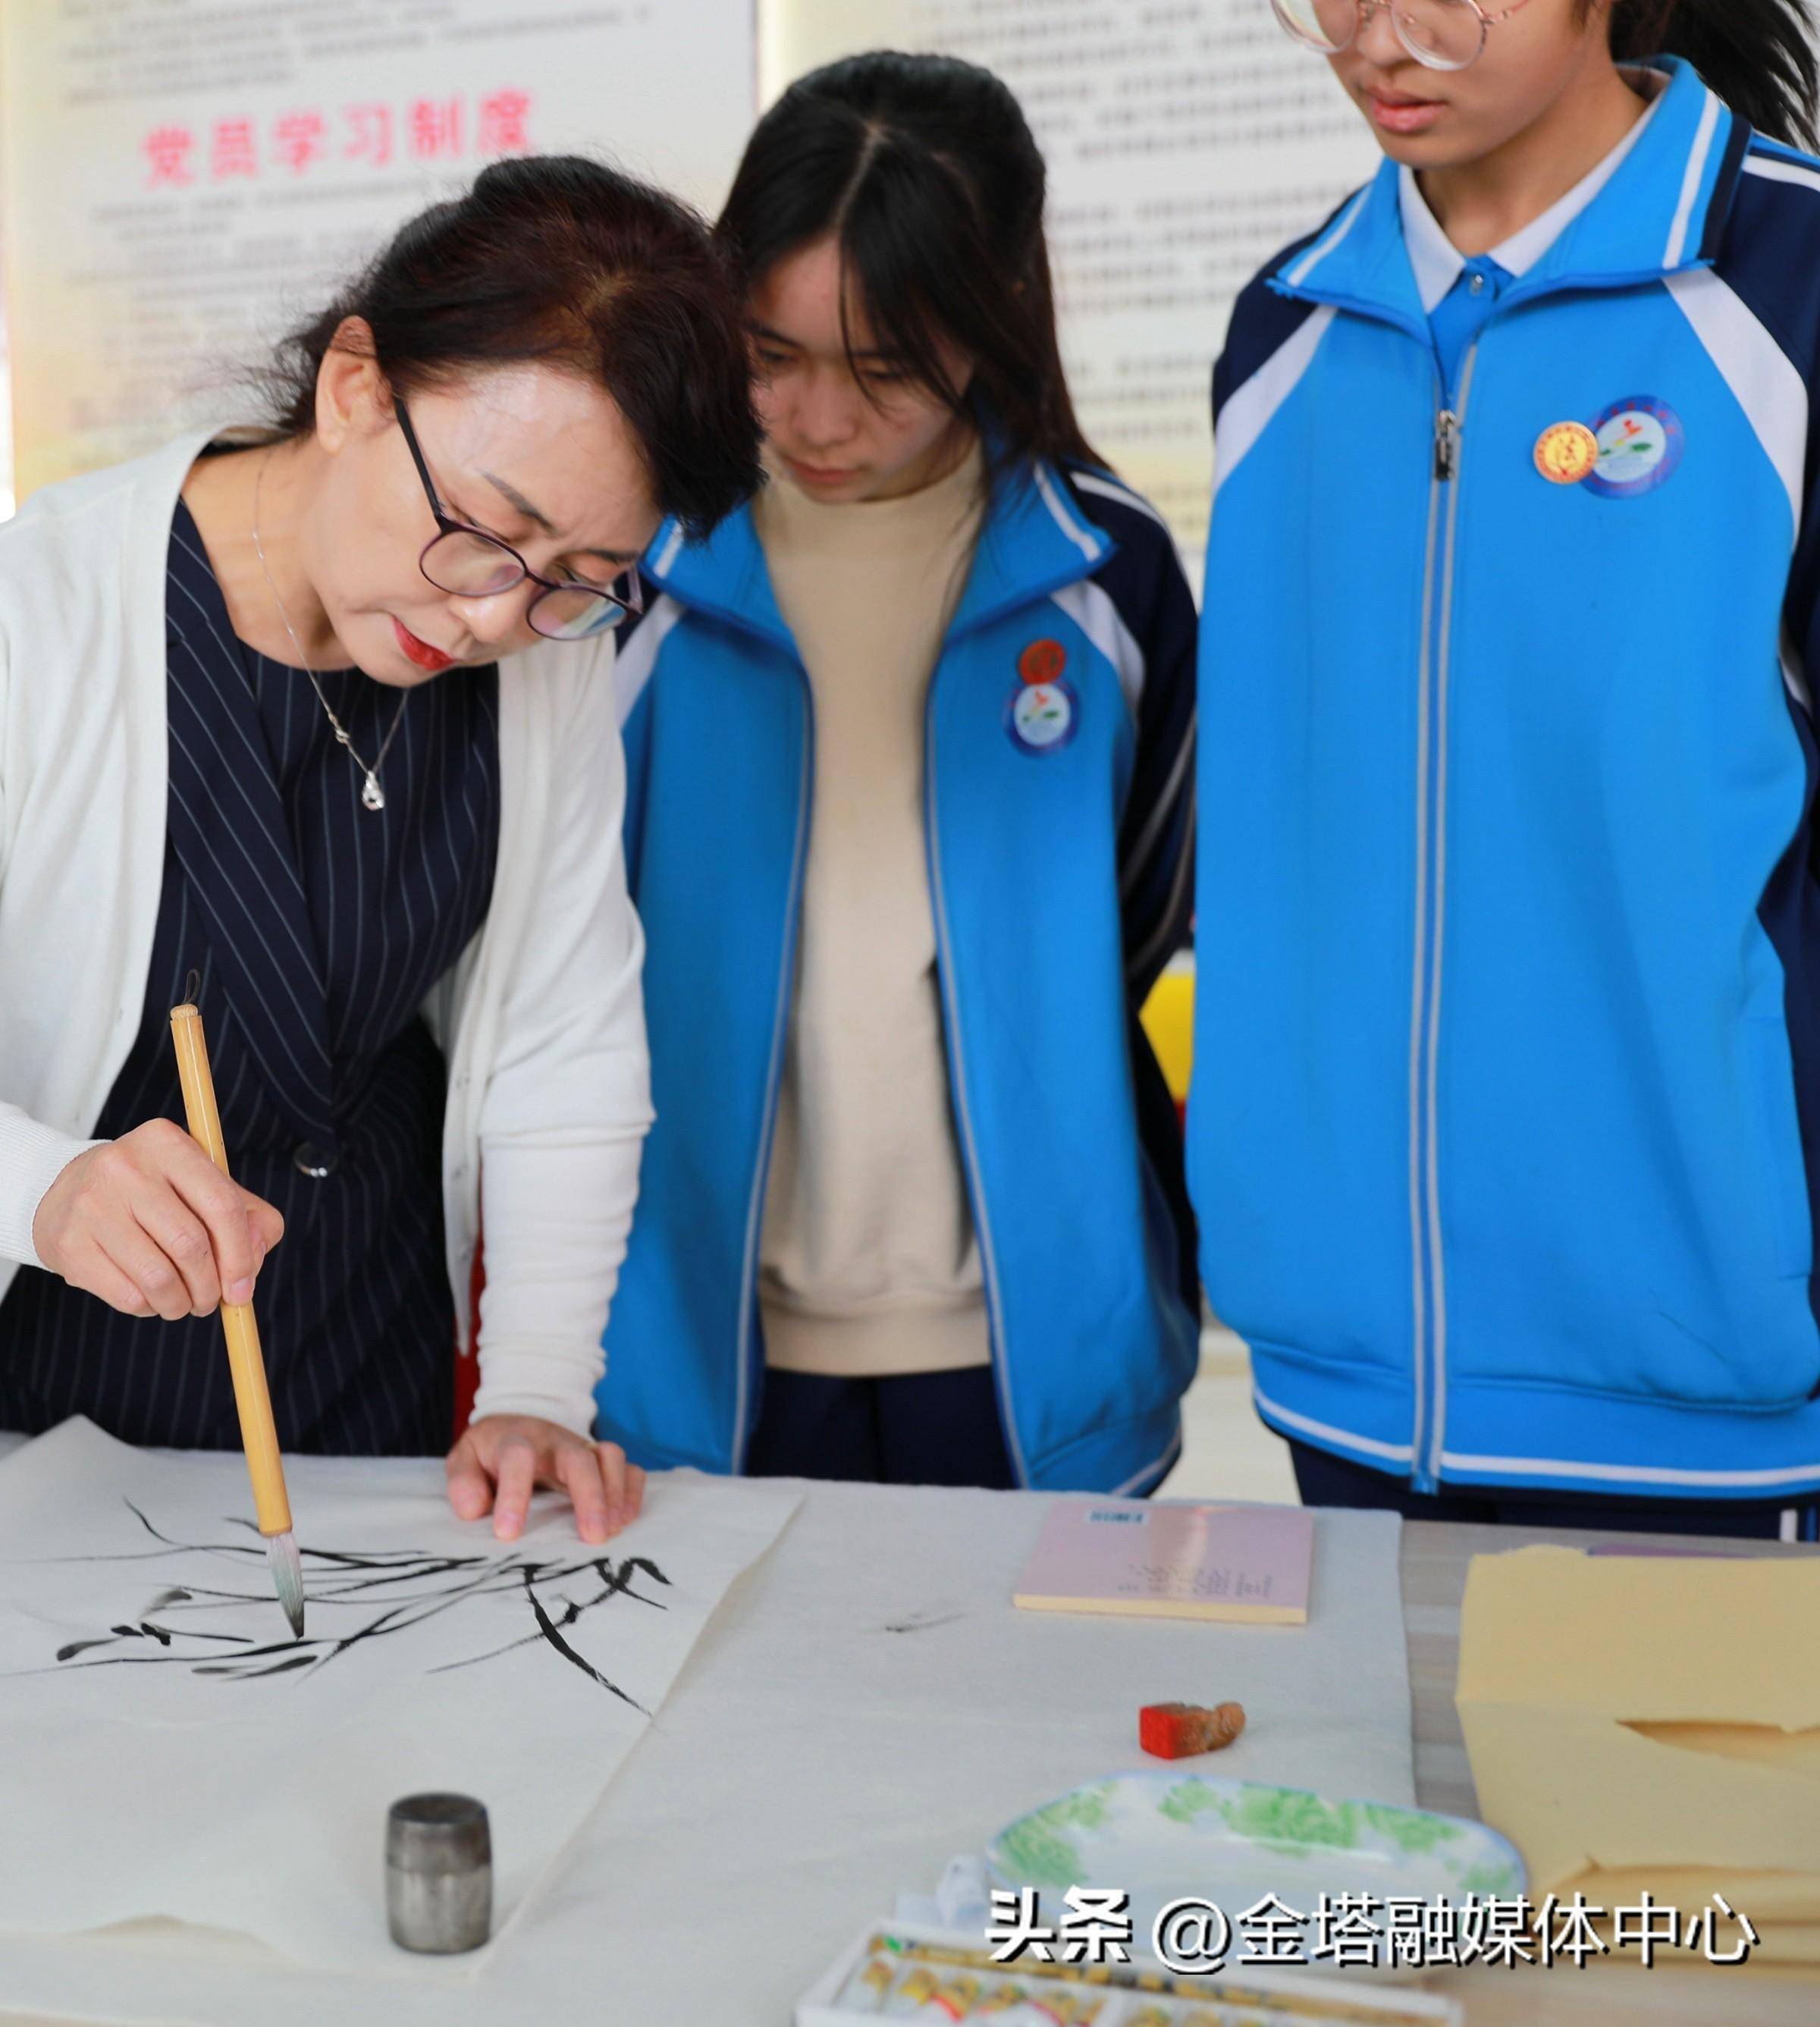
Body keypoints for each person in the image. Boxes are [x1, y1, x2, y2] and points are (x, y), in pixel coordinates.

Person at [0, 157, 763, 1542]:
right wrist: (46, 1187)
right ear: (358, 385)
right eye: (487, 532)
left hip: (366, 1373)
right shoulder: (24, 613)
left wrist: (542, 1382)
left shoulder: (536, 666)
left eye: (577, 580)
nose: (496, 616)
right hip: (36, 1382)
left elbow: (565, 1044)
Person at [1204, 0, 1820, 1535]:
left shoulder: (1786, 289)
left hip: (1722, 1383)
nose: (1374, 34)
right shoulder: (1284, 331)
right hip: (1340, 1372)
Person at [599, 53, 1200, 1490]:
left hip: (1023, 1351)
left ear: (993, 330)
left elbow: (1145, 918)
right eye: (770, 356)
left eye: (884, 375)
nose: (815, 423)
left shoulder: (1106, 576)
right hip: (697, 1338)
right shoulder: (633, 572)